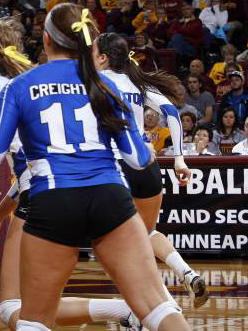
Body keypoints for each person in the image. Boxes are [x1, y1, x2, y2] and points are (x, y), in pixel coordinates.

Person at [0, 4, 190, 331]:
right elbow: (139, 159)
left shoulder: (20, 87)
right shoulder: (105, 86)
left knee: (33, 320)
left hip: (54, 201)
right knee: (158, 310)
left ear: (45, 40)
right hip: (109, 195)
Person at [92, 33, 207, 307]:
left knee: (115, 248)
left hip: (114, 168)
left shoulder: (94, 83)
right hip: (147, 166)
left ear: (104, 57)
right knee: (146, 233)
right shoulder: (137, 82)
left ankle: (165, 304)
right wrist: (179, 159)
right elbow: (173, 113)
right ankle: (186, 273)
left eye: (94, 53)